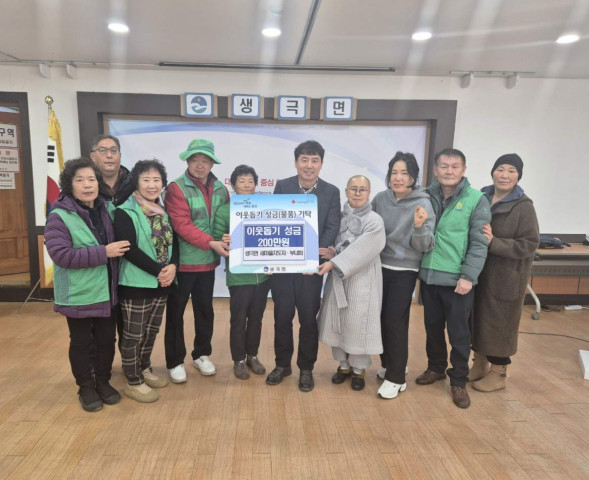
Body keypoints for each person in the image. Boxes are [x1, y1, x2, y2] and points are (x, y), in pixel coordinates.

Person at [44, 157, 130, 412]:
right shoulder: (59, 216)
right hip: (79, 294)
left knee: (106, 340)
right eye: (80, 180)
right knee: (81, 342)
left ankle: (102, 381)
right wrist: (104, 252)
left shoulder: (107, 209)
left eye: (92, 179)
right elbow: (62, 256)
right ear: (69, 185)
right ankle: (85, 387)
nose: (87, 184)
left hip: (107, 291)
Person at [417, 148, 491, 409]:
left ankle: (459, 380)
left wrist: (468, 276)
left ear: (463, 170)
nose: (449, 171)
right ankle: (435, 367)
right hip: (429, 276)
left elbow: (480, 243)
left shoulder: (476, 199)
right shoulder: (425, 195)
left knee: (459, 333)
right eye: (444, 166)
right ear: (435, 169)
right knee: (432, 328)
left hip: (459, 280)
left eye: (455, 166)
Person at [267, 140, 340, 392]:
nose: (309, 165)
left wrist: (311, 254)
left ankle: (306, 368)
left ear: (321, 163)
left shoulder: (331, 192)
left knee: (308, 319)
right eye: (304, 160)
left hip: (311, 267)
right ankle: (282, 365)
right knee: (282, 317)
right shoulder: (283, 186)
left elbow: (332, 226)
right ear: (296, 162)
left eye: (314, 160)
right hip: (283, 267)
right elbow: (274, 220)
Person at [470, 154, 539, 392]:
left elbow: (529, 244)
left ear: (518, 176)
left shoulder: (524, 206)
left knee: (500, 324)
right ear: (493, 172)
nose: (505, 175)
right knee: (477, 318)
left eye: (511, 170)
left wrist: (495, 242)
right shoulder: (481, 197)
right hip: (480, 271)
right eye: (500, 169)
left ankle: (499, 373)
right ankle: (479, 364)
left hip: (506, 276)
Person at [164, 139, 230, 383]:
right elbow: (182, 225)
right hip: (182, 263)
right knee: (175, 313)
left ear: (212, 163)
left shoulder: (221, 189)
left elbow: (228, 221)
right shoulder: (176, 188)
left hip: (208, 262)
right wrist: (211, 242)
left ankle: (202, 354)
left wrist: (229, 238)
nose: (200, 165)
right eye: (194, 160)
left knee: (205, 311)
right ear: (187, 161)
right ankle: (175, 361)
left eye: (205, 160)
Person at [371, 152, 436, 399]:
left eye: (404, 173)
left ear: (413, 177)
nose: (398, 178)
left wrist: (419, 226)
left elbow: (425, 245)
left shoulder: (423, 203)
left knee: (394, 320)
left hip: (405, 270)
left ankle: (397, 378)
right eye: (394, 173)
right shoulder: (381, 199)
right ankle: (390, 363)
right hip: (379, 266)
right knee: (380, 318)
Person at [113, 160, 179, 402]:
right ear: (136, 183)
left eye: (157, 180)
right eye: (146, 180)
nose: (152, 185)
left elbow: (174, 244)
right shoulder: (124, 211)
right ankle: (133, 381)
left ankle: (144, 368)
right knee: (133, 335)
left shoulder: (163, 211)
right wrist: (160, 271)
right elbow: (129, 249)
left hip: (161, 283)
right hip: (136, 284)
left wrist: (173, 267)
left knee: (151, 332)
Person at [317, 176, 385, 391]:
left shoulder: (374, 220)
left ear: (369, 193)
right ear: (346, 191)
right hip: (338, 277)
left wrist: (335, 262)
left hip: (363, 279)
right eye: (353, 189)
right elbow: (334, 244)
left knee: (358, 323)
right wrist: (331, 253)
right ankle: (343, 365)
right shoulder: (338, 217)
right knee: (338, 321)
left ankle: (359, 370)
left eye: (362, 189)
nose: (357, 193)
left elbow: (363, 249)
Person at [213, 165, 270, 380]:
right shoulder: (224, 210)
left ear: (256, 184)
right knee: (238, 319)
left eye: (250, 181)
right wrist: (224, 240)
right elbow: (216, 240)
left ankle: (252, 356)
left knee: (256, 318)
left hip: (262, 275)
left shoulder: (266, 208)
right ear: (233, 184)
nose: (246, 185)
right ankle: (238, 359)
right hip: (238, 274)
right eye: (242, 181)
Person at [89, 134, 129, 201]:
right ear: (92, 156)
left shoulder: (133, 184)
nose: (109, 155)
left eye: (113, 150)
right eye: (102, 150)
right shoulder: (85, 186)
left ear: (120, 156)